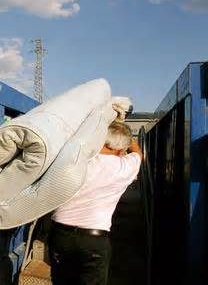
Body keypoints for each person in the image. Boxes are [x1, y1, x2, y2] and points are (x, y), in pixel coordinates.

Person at [48, 121, 143, 285]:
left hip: (60, 235)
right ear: (121, 149)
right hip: (94, 241)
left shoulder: (76, 160)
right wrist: (123, 127)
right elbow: (138, 153)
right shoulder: (124, 167)